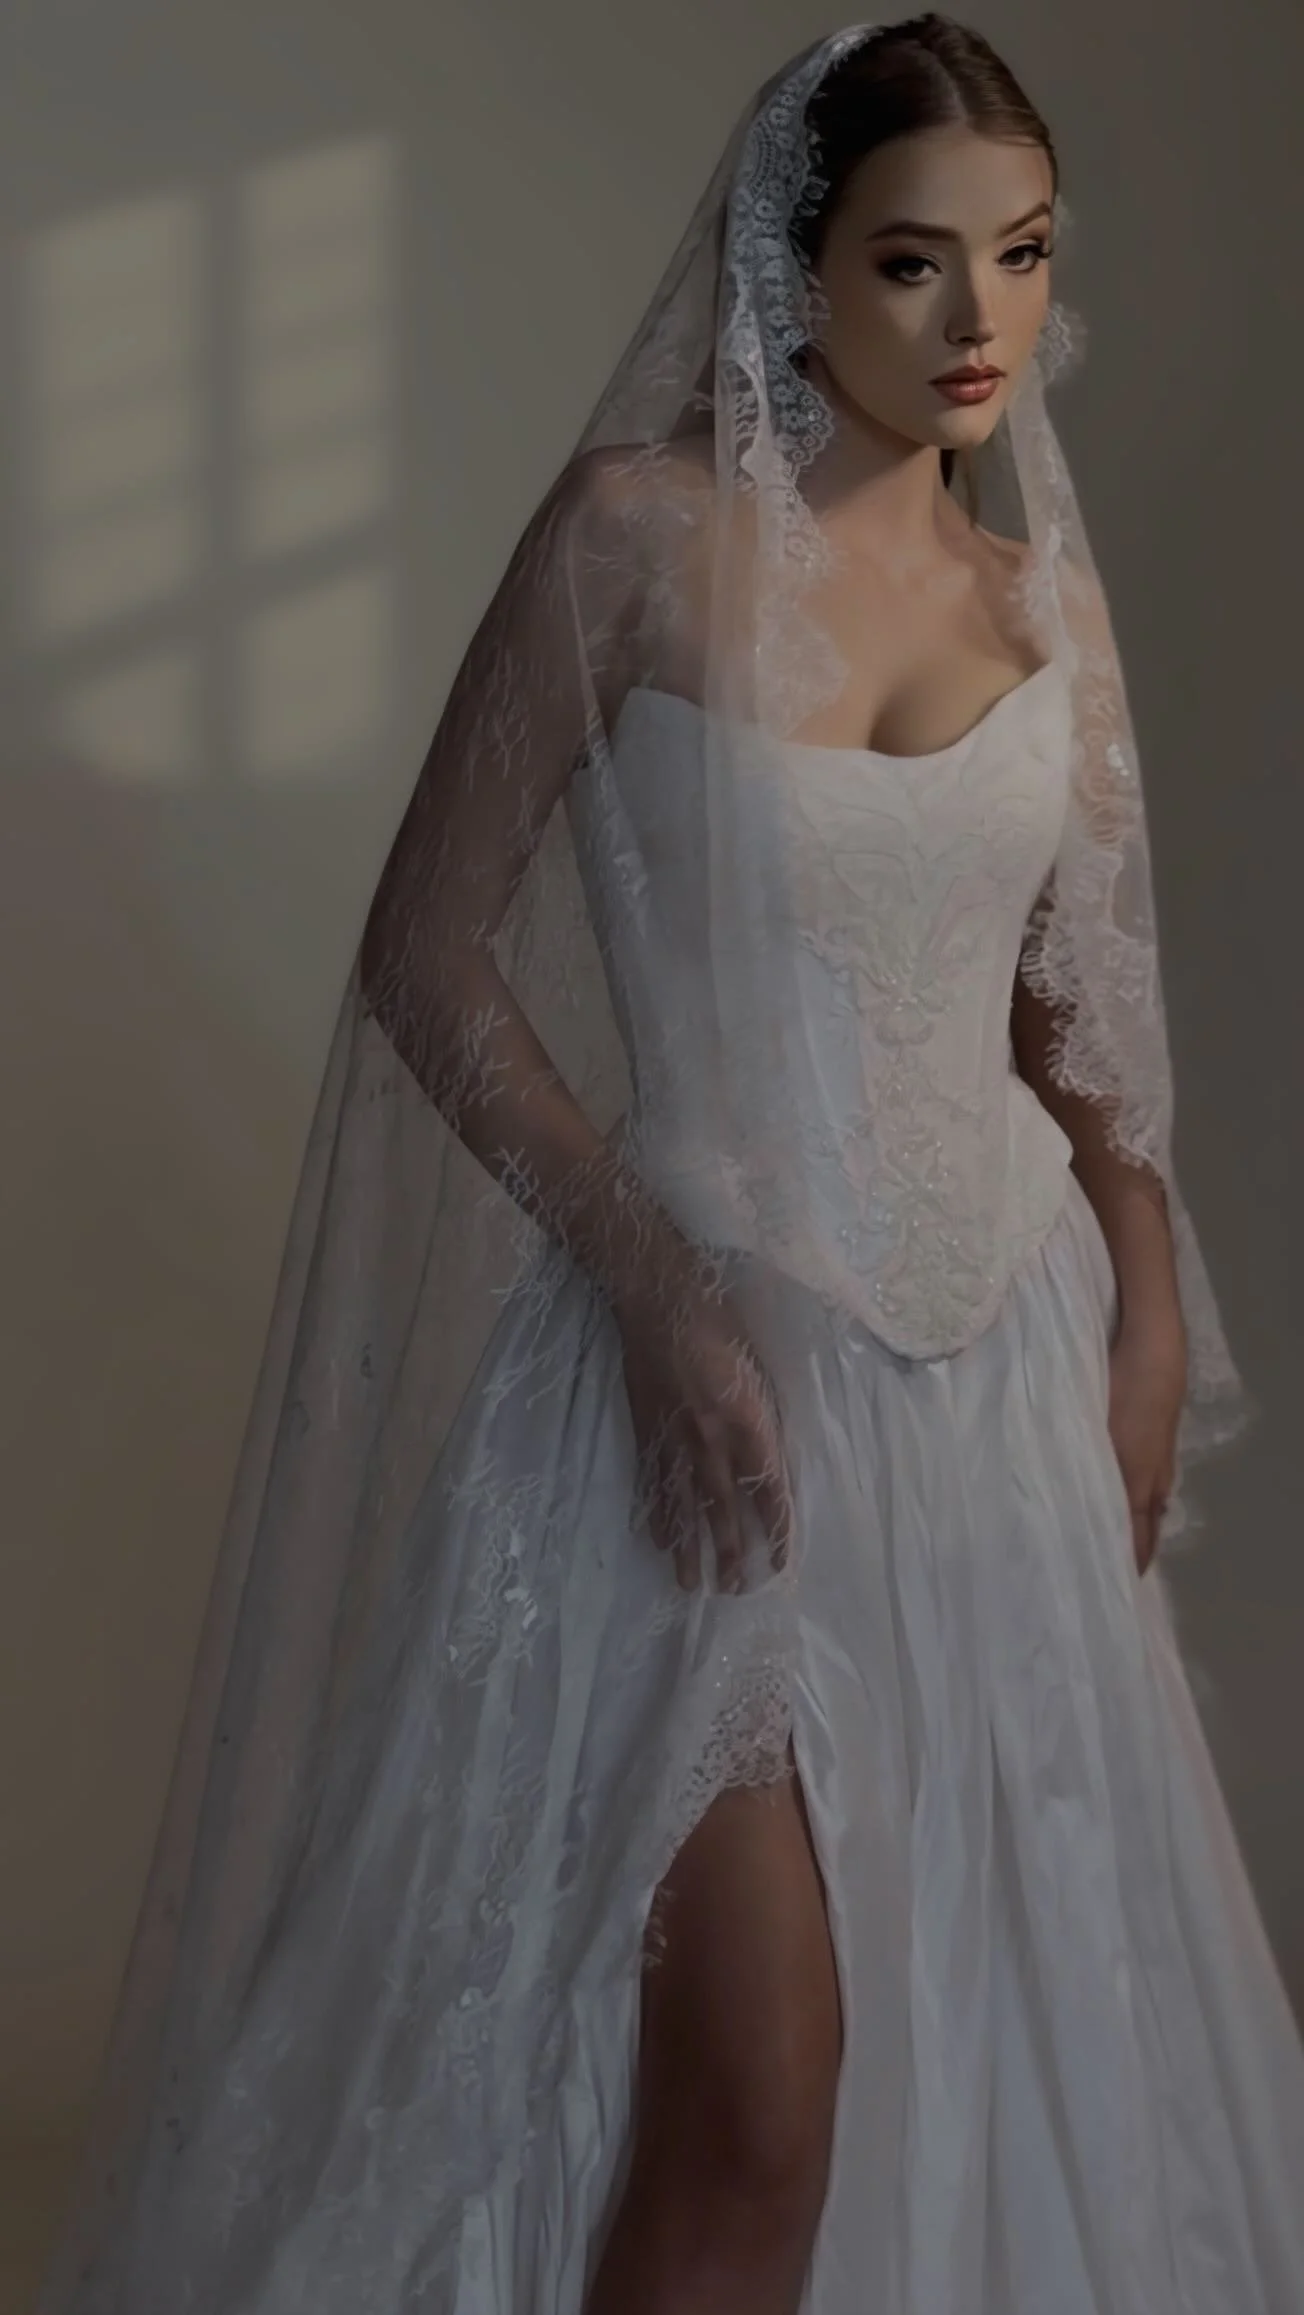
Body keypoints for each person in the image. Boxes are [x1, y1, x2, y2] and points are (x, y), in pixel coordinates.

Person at [40, 16, 1304, 2315]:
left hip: (1001, 1411)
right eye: (910, 260)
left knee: (989, 2047)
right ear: (790, 265)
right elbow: (426, 946)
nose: (978, 317)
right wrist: (644, 1275)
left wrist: (1139, 1290)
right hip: (705, 1408)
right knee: (757, 2090)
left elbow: (1069, 1020)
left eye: (1020, 253)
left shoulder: (1037, 608)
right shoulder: (634, 542)